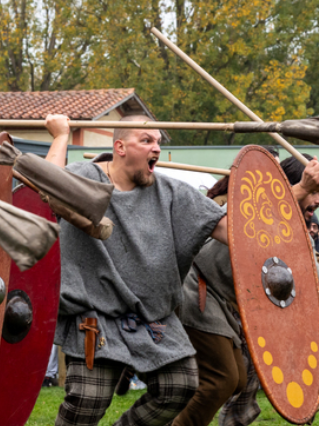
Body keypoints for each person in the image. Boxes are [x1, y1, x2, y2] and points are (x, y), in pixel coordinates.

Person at [44, 113, 229, 426]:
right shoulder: (84, 176)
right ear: (120, 147)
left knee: (179, 385)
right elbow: (45, 186)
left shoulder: (173, 193)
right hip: (94, 316)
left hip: (151, 319)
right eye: (146, 140)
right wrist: (61, 135)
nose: (155, 147)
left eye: (158, 141)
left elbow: (230, 230)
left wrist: (282, 217)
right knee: (88, 402)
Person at [171, 153, 319, 426]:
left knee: (239, 379)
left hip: (233, 311)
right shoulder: (243, 206)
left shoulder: (297, 240)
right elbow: (248, 224)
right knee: (223, 379)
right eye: (315, 192)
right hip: (199, 290)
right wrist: (301, 188)